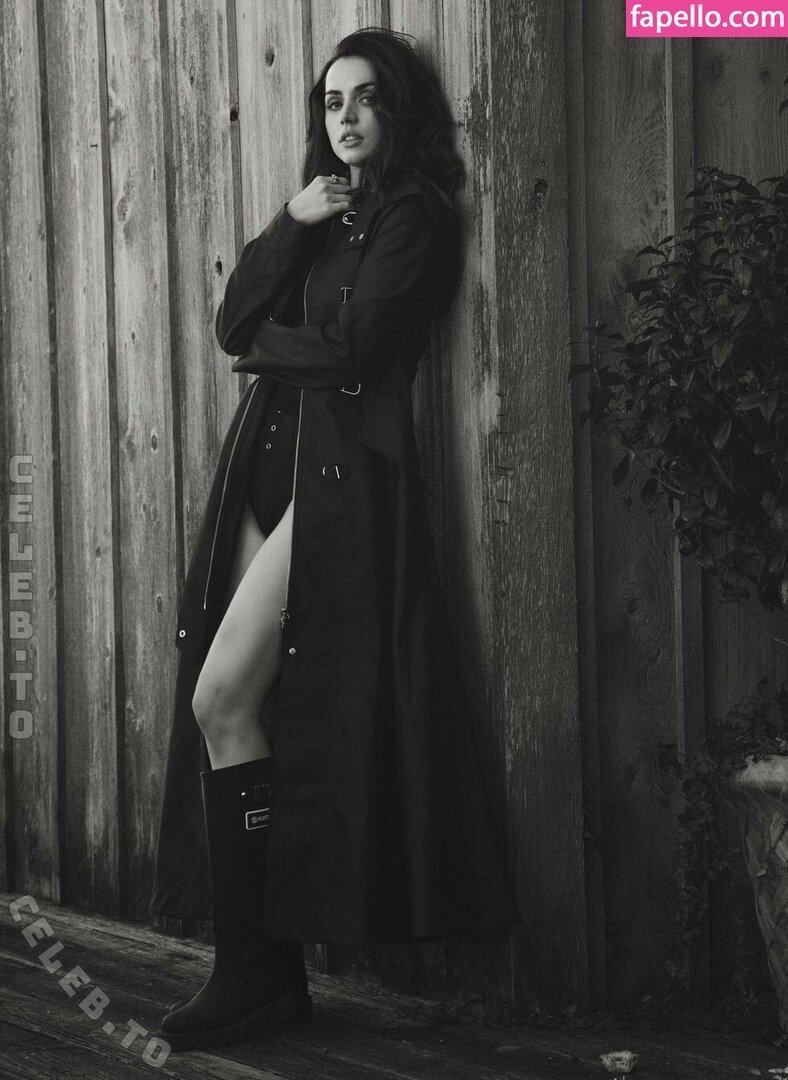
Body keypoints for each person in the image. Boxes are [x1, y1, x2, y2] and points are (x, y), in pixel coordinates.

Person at [151, 26, 519, 1054]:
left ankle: (255, 976)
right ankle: (260, 976)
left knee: (224, 697)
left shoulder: (416, 216)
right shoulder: (326, 212)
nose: (345, 117)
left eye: (363, 98)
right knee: (235, 709)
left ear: (396, 110)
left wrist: (262, 348)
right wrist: (290, 221)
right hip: (268, 476)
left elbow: (352, 351)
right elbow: (236, 319)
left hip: (340, 487)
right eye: (329, 101)